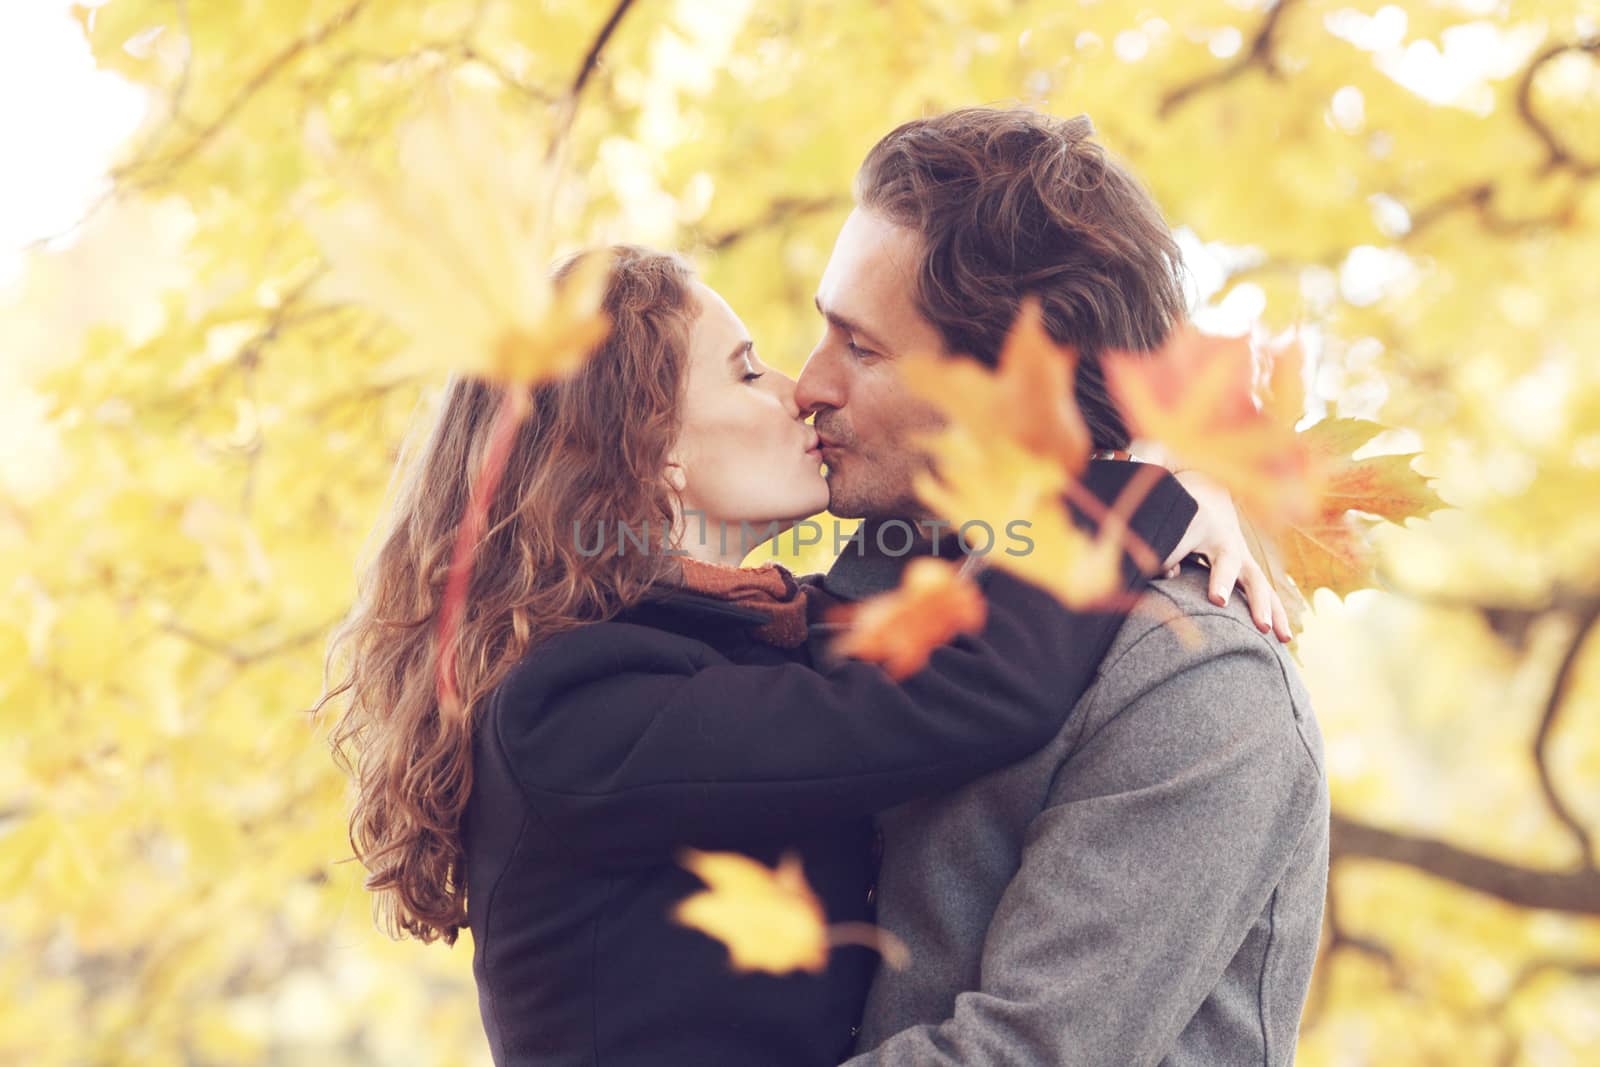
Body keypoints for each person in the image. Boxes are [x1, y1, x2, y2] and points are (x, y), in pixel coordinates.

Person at [316, 243, 1277, 1066]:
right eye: (745, 371)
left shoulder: (713, 643)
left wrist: (1176, 487)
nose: (798, 391)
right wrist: (1134, 496)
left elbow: (919, 608)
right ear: (653, 453)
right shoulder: (575, 706)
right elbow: (961, 697)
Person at [790, 106, 1329, 1066]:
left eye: (861, 349)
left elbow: (1021, 1055)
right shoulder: (874, 595)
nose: (807, 383)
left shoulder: (1196, 684)